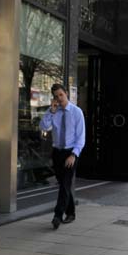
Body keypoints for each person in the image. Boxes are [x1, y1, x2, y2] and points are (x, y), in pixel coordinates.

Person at [39, 83, 86, 229]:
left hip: (71, 152)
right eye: (56, 96)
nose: (59, 98)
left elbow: (81, 137)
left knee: (65, 183)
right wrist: (51, 112)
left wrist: (74, 155)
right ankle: (71, 212)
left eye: (61, 95)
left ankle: (57, 216)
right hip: (57, 152)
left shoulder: (76, 112)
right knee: (63, 185)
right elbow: (43, 127)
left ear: (66, 94)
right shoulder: (53, 111)